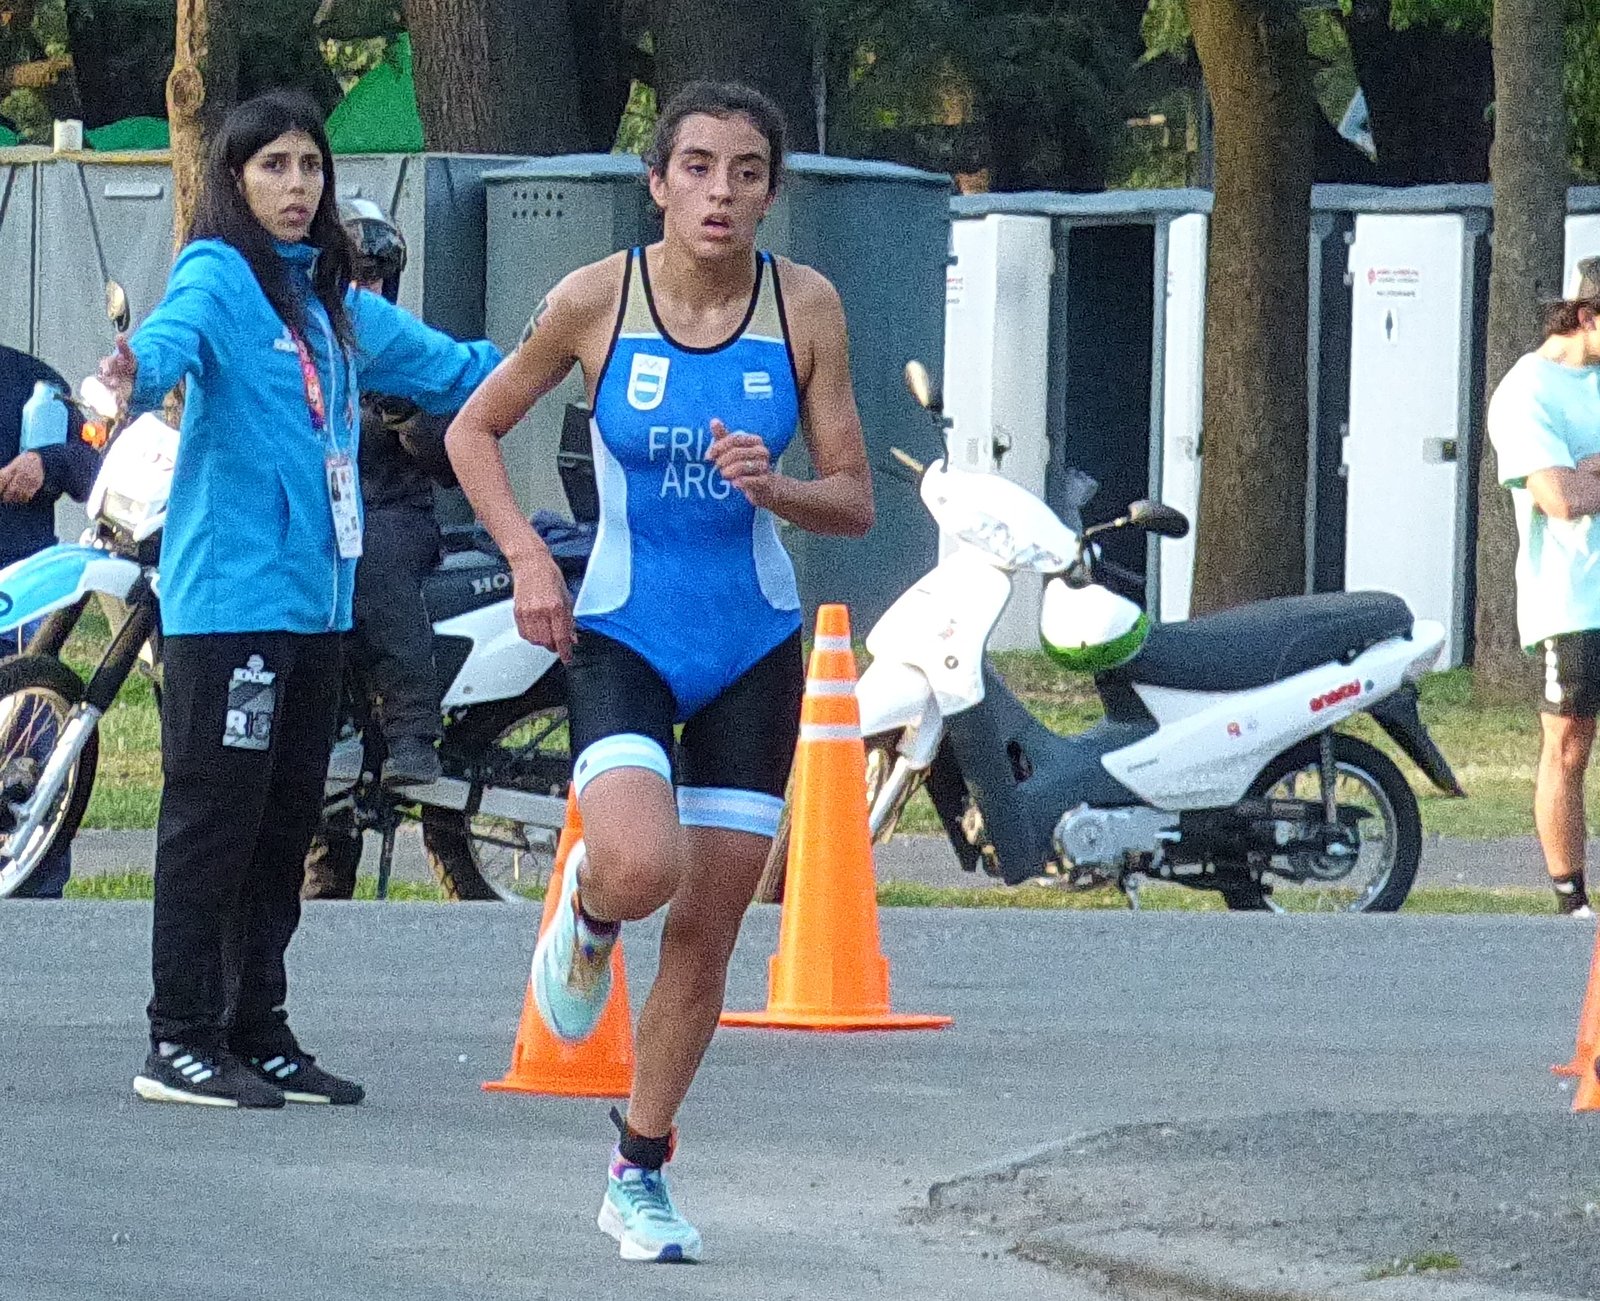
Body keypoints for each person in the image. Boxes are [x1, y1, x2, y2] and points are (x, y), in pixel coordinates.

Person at [446, 80, 874, 1261]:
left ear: (770, 191)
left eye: (745, 171)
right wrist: (530, 558)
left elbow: (852, 496)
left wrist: (775, 485)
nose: (720, 192)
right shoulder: (597, 298)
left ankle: (638, 1169)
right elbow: (470, 429)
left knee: (707, 929)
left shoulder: (808, 307)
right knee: (639, 865)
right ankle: (584, 914)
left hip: (752, 640)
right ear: (658, 181)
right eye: (697, 167)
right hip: (626, 626)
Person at [96, 89, 500, 1108]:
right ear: (235, 182)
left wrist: (570, 344)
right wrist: (135, 370)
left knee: (284, 827)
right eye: (272, 166)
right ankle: (178, 1037)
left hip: (317, 612)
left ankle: (256, 1029)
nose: (294, 185)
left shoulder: (331, 302)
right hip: (231, 607)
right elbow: (172, 342)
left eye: (309, 167)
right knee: (212, 824)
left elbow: (453, 369)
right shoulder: (220, 275)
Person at [301, 200, 457, 901]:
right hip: (317, 524)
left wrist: (405, 412)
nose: (361, 290)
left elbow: (449, 452)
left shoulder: (408, 348)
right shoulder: (300, 345)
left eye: (373, 276)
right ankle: (321, 858)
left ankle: (414, 736)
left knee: (372, 569)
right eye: (349, 274)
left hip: (394, 515)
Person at [1488, 254, 1600, 921]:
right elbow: (1558, 496)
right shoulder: (1527, 392)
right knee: (1569, 743)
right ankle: (1572, 900)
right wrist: (1577, 479)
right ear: (1588, 317)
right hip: (1574, 596)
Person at [0, 344, 101, 898]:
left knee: (26, 779)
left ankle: (37, 904)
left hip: (22, 627)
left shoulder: (33, 383)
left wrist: (50, 463)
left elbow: (103, 472)